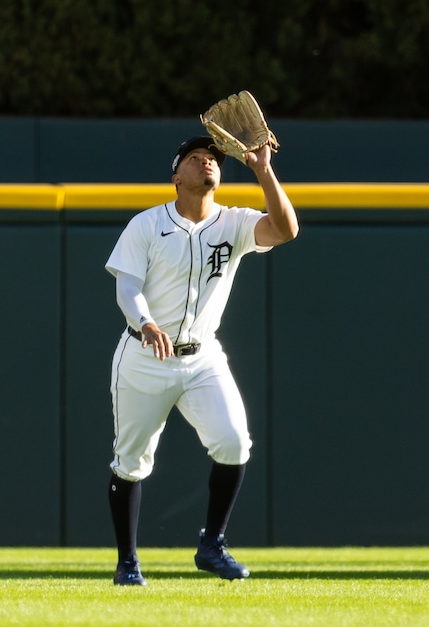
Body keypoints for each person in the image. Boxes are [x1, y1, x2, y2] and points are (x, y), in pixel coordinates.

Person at [104, 134, 299, 586]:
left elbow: (286, 230)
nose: (206, 163)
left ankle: (212, 544)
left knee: (233, 442)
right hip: (144, 355)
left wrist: (263, 170)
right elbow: (126, 285)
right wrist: (145, 321)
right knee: (131, 462)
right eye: (195, 158)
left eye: (212, 159)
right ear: (176, 176)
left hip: (202, 355)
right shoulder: (148, 225)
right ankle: (127, 563)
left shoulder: (232, 222)